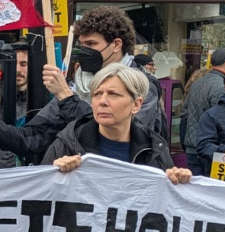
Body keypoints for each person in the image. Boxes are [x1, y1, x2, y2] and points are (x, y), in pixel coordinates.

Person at [43, 63, 192, 184]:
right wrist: (54, 172)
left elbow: (165, 202)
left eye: (113, 94)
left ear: (136, 104)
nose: (102, 101)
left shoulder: (154, 148)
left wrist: (178, 181)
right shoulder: (68, 143)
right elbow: (41, 193)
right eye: (97, 94)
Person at [73, 6, 164, 135]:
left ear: (116, 45)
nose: (83, 50)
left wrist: (67, 100)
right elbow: (48, 122)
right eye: (81, 44)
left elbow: (124, 132)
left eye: (91, 44)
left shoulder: (142, 85)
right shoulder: (79, 80)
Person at [182, 48, 225, 174]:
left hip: (193, 147)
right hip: (210, 149)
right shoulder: (221, 85)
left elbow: (185, 112)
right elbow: (222, 119)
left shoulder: (197, 82)